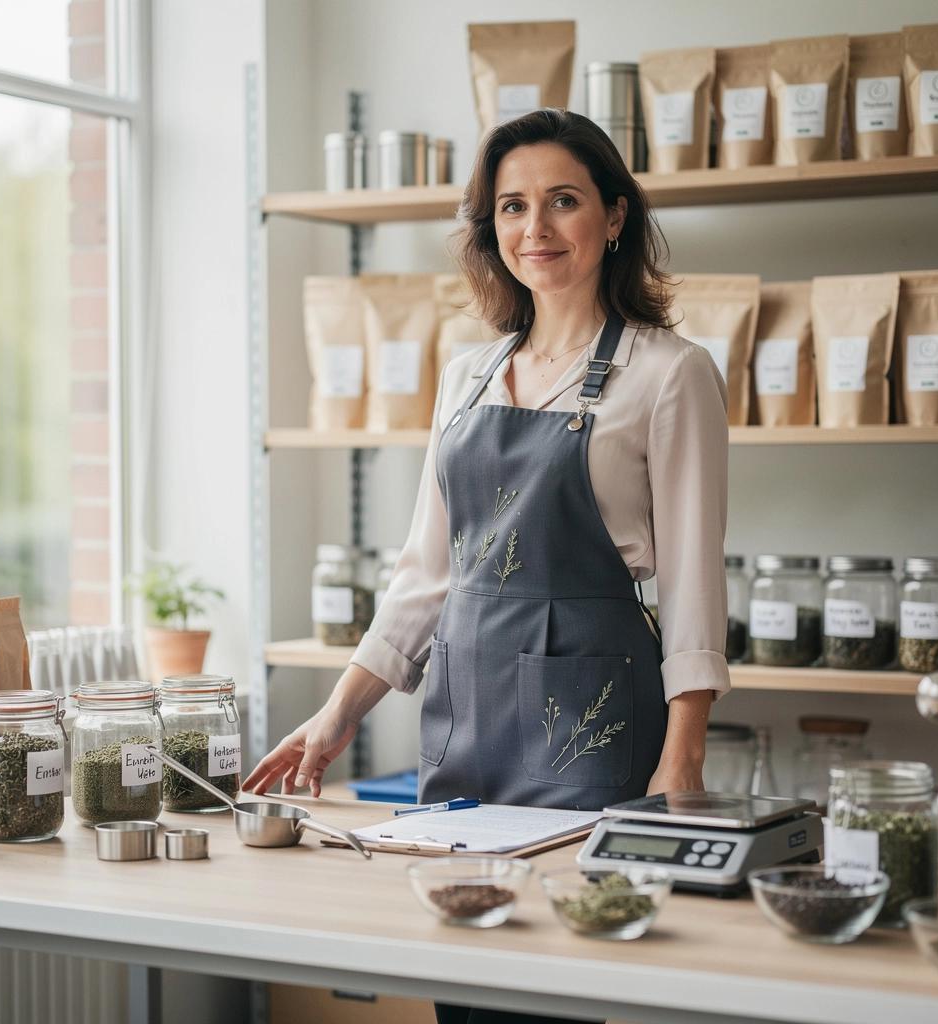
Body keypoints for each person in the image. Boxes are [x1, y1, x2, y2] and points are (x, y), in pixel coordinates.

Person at [243, 108, 729, 1023]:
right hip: (465, 717)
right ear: (488, 225)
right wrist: (336, 715)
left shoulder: (671, 374)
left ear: (615, 217)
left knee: (572, 977)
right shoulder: (467, 374)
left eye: (562, 201)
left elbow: (696, 584)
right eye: (511, 206)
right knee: (464, 976)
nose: (534, 229)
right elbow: (428, 573)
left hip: (590, 719)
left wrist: (682, 756)